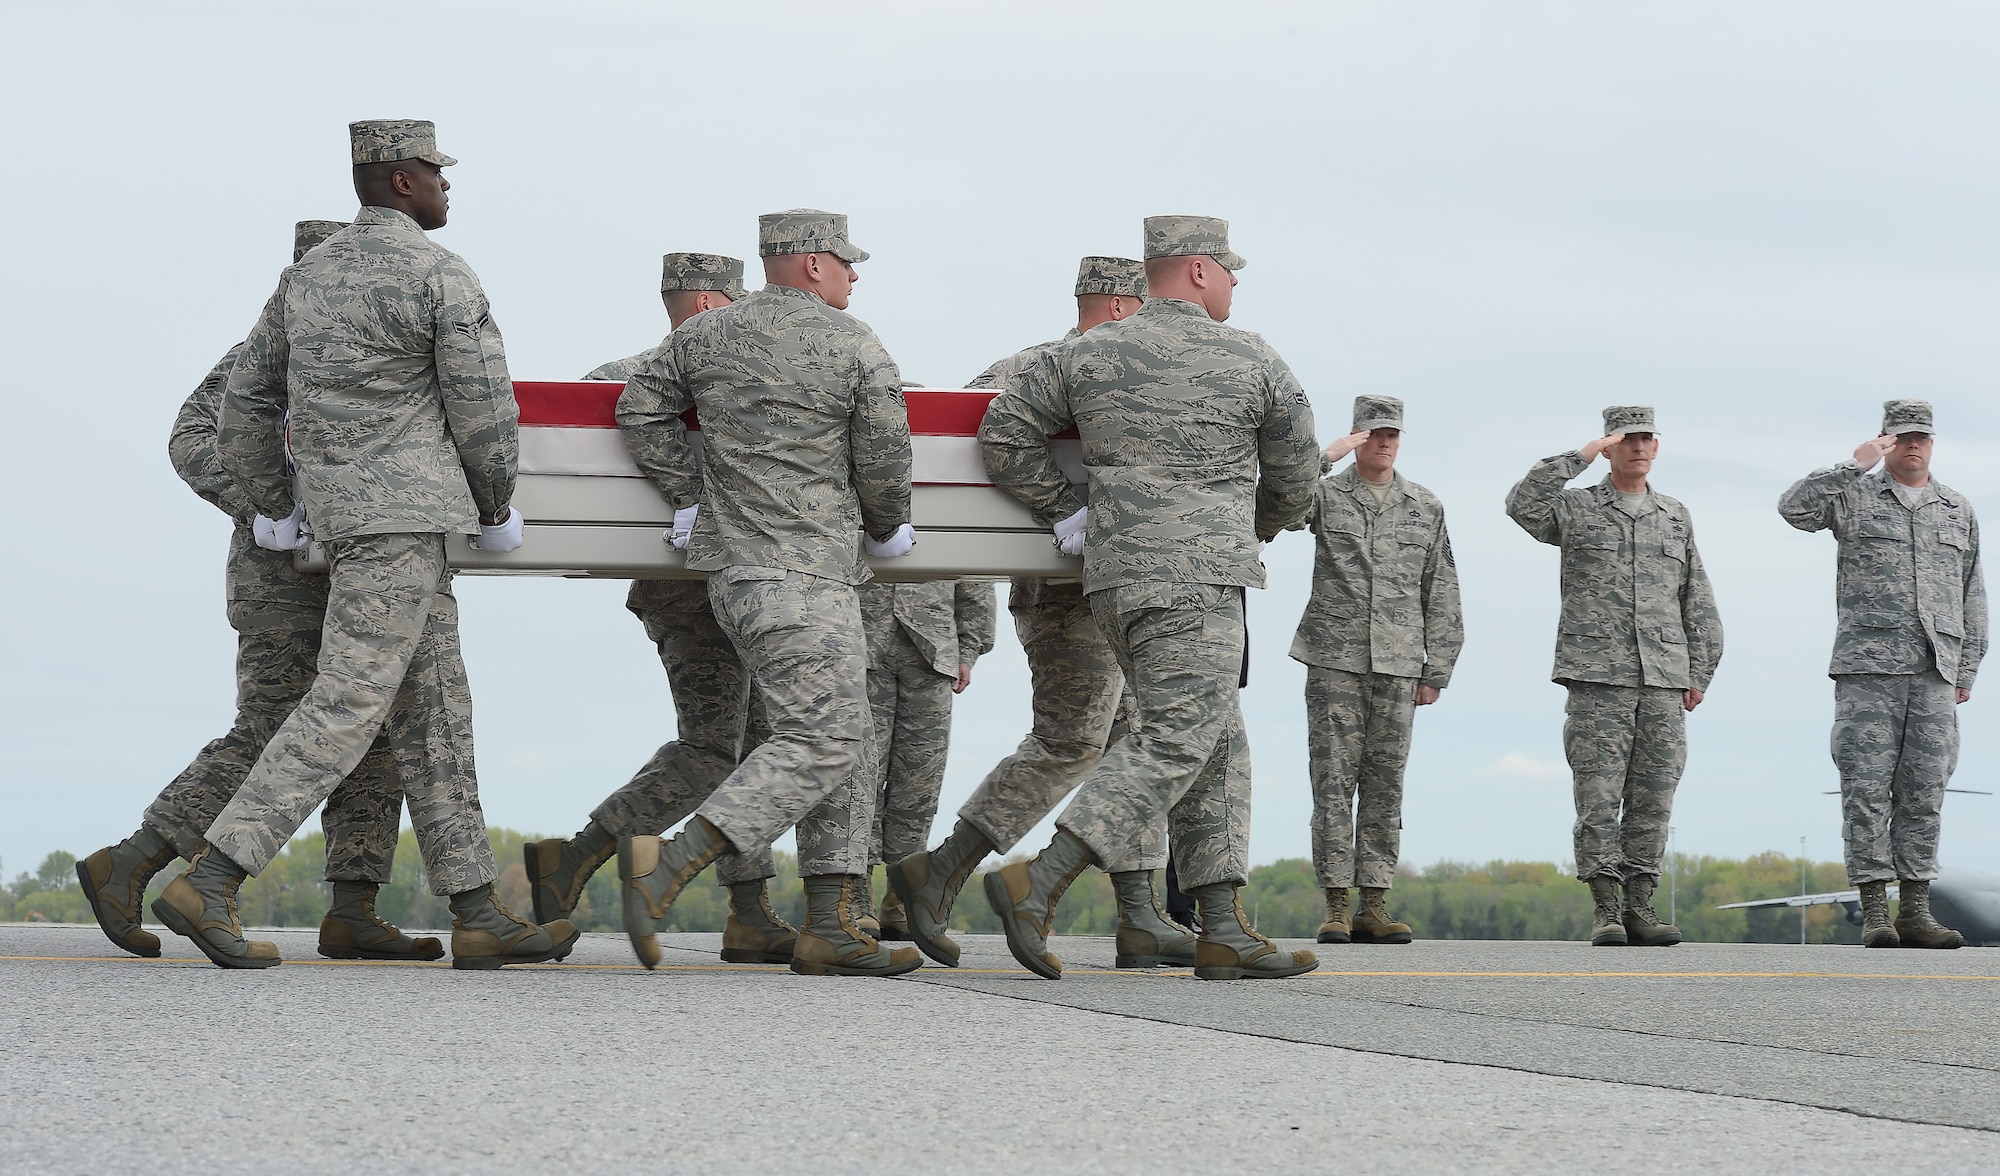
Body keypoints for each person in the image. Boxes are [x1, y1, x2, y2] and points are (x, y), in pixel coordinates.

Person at [155, 119, 574, 970]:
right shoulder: (440, 273)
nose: (447, 186)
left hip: (345, 522)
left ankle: (478, 909)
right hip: (406, 522)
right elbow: (485, 408)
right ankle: (215, 876)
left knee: (438, 714)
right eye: (435, 172)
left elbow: (244, 404)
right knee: (346, 704)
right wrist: (495, 504)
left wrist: (274, 502)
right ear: (401, 182)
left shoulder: (303, 279)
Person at [77, 220, 438, 964]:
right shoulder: (261, 352)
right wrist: (260, 504)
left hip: (360, 565)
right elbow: (191, 434)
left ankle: (353, 905)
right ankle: (134, 859)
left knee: (373, 729)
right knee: (276, 724)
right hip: (280, 577)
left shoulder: (376, 357)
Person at [978, 216, 1321, 981]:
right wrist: (1247, 527)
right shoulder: (1251, 355)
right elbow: (1297, 477)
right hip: (1198, 580)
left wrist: (1070, 510)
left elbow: (1004, 435)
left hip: (1114, 581)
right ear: (1199, 271)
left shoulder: (1085, 353)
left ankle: (1224, 927)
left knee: (1212, 738)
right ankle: (1039, 882)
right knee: (1176, 736)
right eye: (1229, 269)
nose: (1234, 283)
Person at [614, 209, 921, 977]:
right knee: (830, 737)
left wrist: (691, 494)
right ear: (814, 264)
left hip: (734, 574)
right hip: (809, 575)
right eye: (847, 262)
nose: (856, 274)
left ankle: (830, 925)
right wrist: (889, 523)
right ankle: (674, 865)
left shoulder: (703, 335)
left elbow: (637, 407)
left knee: (830, 732)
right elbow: (886, 453)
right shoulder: (853, 342)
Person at [889, 256, 1199, 970]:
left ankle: (1141, 913)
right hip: (1069, 591)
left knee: (1135, 744)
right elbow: (967, 446)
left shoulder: (1019, 367)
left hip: (1116, 582)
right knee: (1070, 739)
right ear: (1124, 307)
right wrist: (1059, 512)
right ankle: (939, 870)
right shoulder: (1059, 366)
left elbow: (946, 437)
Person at [523, 253, 798, 966]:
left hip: (686, 589)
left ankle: (748, 908)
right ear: (711, 305)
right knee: (714, 748)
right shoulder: (735, 365)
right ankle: (578, 856)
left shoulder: (612, 376)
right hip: (709, 590)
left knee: (762, 747)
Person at [1505, 407, 1722, 947]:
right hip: (1598, 676)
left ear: (1657, 446)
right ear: (1610, 446)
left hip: (1664, 679)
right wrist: (1578, 457)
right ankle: (1605, 907)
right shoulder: (1577, 508)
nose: (1639, 448)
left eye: (1648, 439)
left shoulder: (1674, 515)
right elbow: (1522, 504)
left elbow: (1696, 597)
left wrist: (1699, 672)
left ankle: (1641, 904)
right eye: (1627, 440)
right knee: (1598, 795)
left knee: (1655, 796)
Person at [1778, 400, 1985, 949]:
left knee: (1924, 792)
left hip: (1935, 672)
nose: (1912, 445)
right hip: (1868, 669)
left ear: (1932, 443)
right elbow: (1793, 510)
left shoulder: (1956, 509)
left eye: (1921, 436)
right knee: (1865, 789)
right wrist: (1854, 465)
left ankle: (1915, 909)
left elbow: (1973, 594)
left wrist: (1967, 667)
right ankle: (1875, 910)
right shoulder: (1853, 496)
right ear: (1885, 440)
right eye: (1901, 437)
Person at [1292, 395, 1463, 945]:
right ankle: (1337, 904)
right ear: (1358, 435)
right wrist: (1324, 456)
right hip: (1334, 659)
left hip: (1398, 662)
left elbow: (1441, 588)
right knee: (1333, 783)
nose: (1384, 442)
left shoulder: (1424, 506)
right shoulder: (1325, 495)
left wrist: (1437, 667)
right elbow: (1273, 504)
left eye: (1392, 433)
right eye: (1374, 432)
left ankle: (1374, 903)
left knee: (1386, 786)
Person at [857, 579, 994, 938]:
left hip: (933, 651)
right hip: (861, 641)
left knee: (919, 783)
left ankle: (900, 898)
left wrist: (968, 649)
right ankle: (854, 895)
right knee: (858, 777)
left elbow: (972, 573)